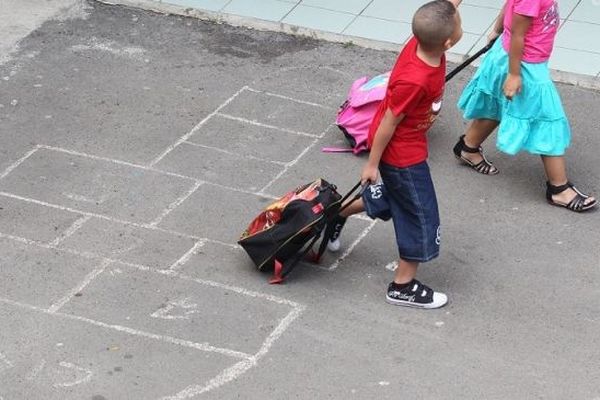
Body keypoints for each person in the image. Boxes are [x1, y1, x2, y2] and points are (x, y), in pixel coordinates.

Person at [328, 0, 463, 309]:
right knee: (420, 213)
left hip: (405, 148)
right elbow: (389, 119)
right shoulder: (416, 80)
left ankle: (337, 213)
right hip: (402, 155)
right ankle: (402, 286)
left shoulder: (420, 41)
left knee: (397, 197)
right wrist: (372, 164)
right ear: (448, 42)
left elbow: (445, 13)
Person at [453, 0, 597, 212]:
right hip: (524, 66)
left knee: (498, 104)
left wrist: (497, 29)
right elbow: (519, 35)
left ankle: (468, 147)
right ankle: (559, 189)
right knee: (548, 119)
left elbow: (510, 6)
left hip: (507, 55)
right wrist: (513, 75)